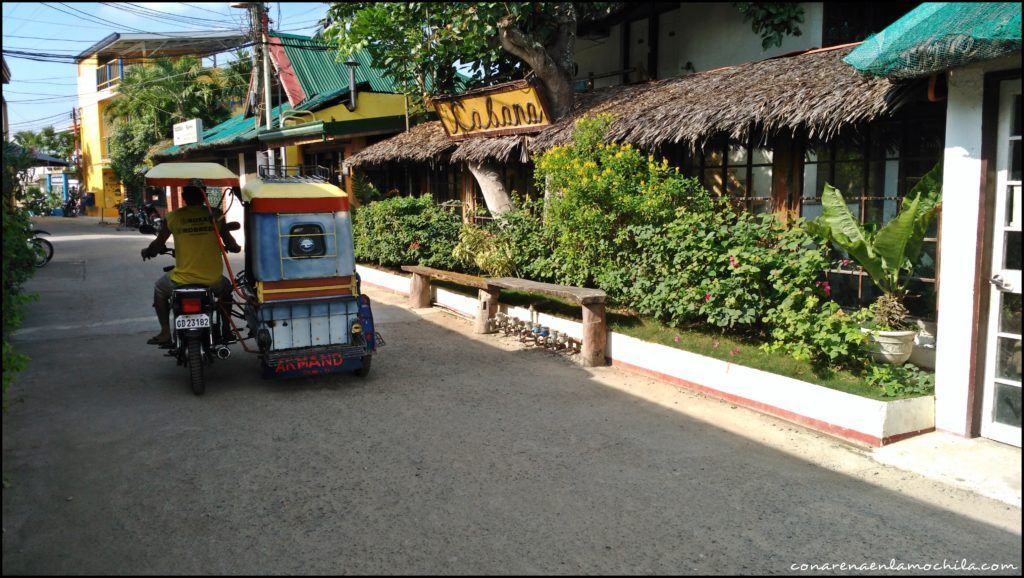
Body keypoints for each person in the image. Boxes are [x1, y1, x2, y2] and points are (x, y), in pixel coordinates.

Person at [141, 183, 241, 346]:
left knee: (159, 289)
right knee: (226, 290)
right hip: (213, 280)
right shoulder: (215, 215)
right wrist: (233, 247)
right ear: (204, 196)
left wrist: (148, 251)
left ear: (184, 198)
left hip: (180, 280)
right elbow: (232, 244)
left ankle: (165, 332)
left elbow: (158, 245)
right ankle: (226, 330)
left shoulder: (173, 217)